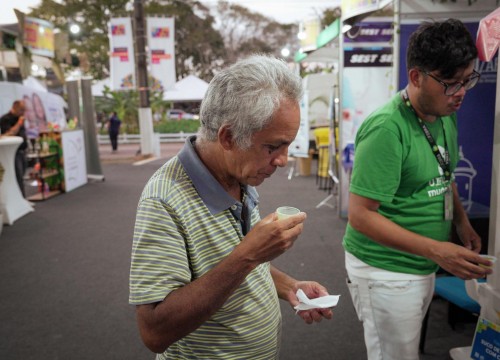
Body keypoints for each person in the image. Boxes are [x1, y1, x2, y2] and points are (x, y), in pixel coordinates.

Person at [129, 55, 333, 359]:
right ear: (227, 137)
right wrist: (249, 255)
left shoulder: (240, 173)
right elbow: (155, 332)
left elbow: (228, 264)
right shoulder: (164, 199)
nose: (283, 160)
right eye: (272, 146)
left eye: (287, 145)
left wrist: (289, 285)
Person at [343, 18, 493, 360]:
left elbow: (443, 173)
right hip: (385, 270)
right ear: (416, 77)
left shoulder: (444, 112)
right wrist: (437, 251)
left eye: (467, 80)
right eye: (451, 84)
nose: (461, 93)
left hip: (420, 263)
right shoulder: (386, 129)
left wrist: (460, 221)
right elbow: (361, 216)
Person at [0, 100, 28, 197]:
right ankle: (22, 198)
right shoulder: (5, 119)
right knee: (18, 175)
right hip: (12, 153)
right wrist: (19, 123)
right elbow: (9, 133)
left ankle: (22, 198)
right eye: (21, 110)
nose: (23, 112)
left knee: (22, 174)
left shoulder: (19, 118)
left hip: (22, 150)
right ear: (15, 108)